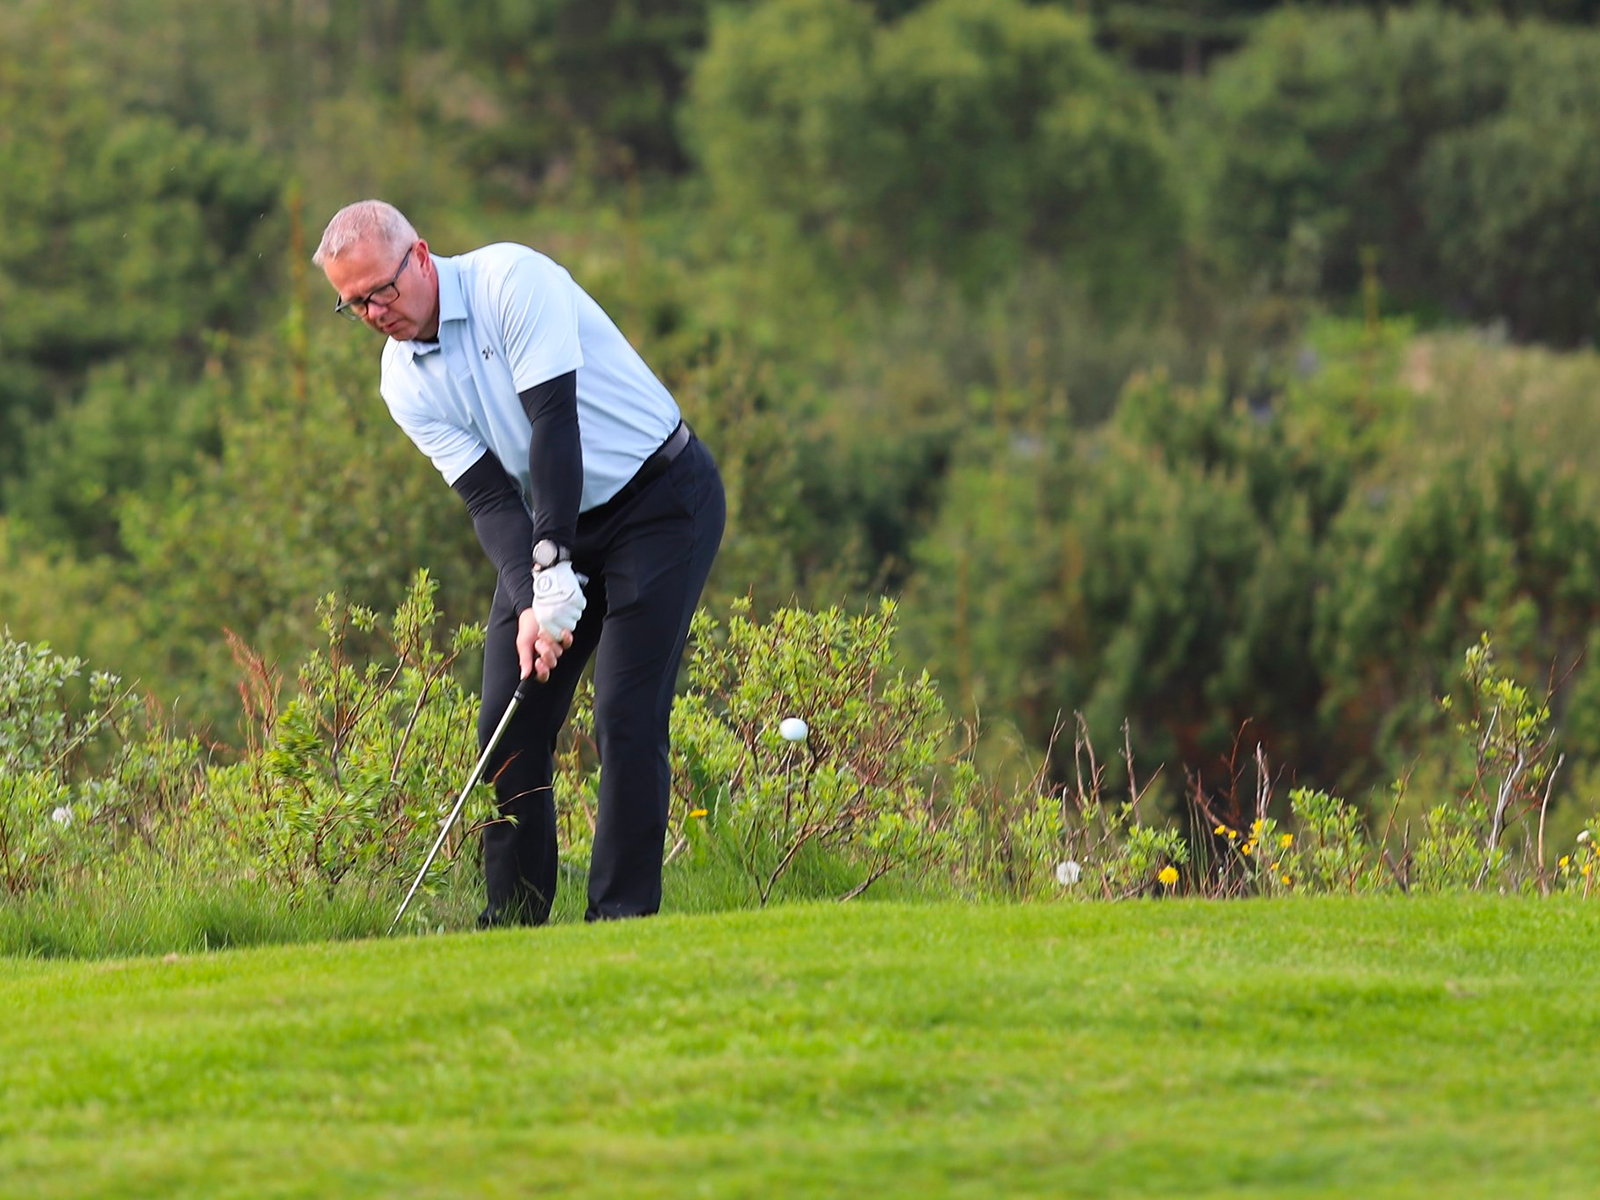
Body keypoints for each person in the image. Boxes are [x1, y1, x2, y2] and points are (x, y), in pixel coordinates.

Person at [313, 199, 725, 926]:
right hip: (547, 521)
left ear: (421, 256)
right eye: (353, 305)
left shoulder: (512, 280)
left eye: (381, 290)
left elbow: (552, 427)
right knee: (510, 723)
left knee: (625, 711)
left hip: (659, 501)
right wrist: (535, 592)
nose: (375, 312)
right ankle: (514, 921)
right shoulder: (403, 381)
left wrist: (554, 562)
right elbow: (487, 500)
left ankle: (621, 917)